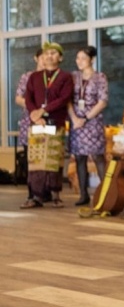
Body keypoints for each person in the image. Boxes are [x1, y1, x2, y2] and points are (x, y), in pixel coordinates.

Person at [22, 42, 74, 208]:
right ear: (42, 57)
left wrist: (43, 111)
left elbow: (64, 98)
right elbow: (28, 98)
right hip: (36, 123)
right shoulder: (34, 77)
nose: (49, 56)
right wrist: (34, 114)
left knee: (53, 159)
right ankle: (35, 196)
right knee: (35, 160)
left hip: (55, 122)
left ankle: (55, 195)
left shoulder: (66, 77)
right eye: (46, 53)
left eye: (53, 53)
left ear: (60, 57)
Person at [67, 46, 109, 206]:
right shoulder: (73, 77)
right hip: (76, 121)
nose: (79, 61)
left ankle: (106, 193)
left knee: (98, 156)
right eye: (77, 58)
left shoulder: (100, 77)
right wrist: (74, 118)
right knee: (79, 157)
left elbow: (103, 101)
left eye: (83, 58)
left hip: (93, 121)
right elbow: (67, 99)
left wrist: (85, 118)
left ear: (91, 59)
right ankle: (83, 195)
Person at [15, 48, 45, 199]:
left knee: (46, 156)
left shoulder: (53, 77)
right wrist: (33, 109)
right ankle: (32, 192)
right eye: (42, 57)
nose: (45, 60)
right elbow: (19, 98)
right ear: (36, 58)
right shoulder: (27, 76)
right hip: (29, 120)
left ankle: (46, 192)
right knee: (30, 157)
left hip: (47, 122)